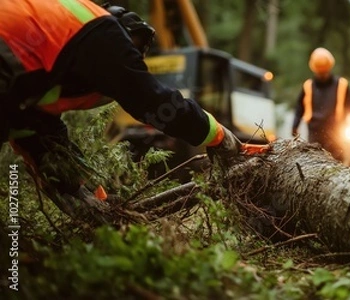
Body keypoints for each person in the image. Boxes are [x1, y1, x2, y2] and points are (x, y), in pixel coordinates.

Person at [0, 0, 240, 223]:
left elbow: (42, 141)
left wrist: (89, 193)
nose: (133, 58)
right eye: (133, 51)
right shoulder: (101, 31)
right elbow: (151, 101)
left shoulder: (45, 58)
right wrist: (216, 134)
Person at [292, 47, 350, 161]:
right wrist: (295, 125)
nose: (322, 74)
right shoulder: (308, 86)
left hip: (335, 129)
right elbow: (300, 107)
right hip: (315, 131)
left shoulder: (341, 84)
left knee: (336, 159)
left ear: (329, 67)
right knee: (314, 161)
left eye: (324, 71)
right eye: (320, 71)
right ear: (315, 69)